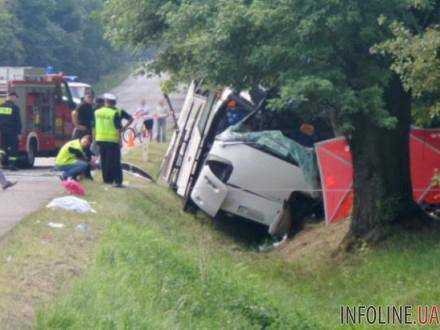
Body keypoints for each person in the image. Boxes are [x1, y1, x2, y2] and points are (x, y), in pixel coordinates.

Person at [95, 93, 133, 187]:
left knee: (104, 161)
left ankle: (107, 180)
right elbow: (118, 128)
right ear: (114, 102)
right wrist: (121, 135)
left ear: (105, 102)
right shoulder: (115, 112)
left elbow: (94, 126)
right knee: (115, 161)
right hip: (112, 140)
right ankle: (118, 181)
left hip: (100, 139)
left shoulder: (97, 112)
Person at [0, 92, 22, 169]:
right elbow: (18, 121)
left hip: (2, 131)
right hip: (12, 131)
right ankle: (12, 165)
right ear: (12, 97)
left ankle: (2, 163)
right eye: (15, 97)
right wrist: (19, 133)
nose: (16, 99)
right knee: (13, 148)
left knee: (3, 148)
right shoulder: (15, 108)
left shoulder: (1, 106)